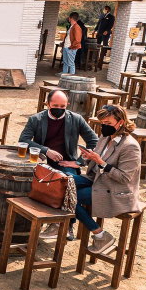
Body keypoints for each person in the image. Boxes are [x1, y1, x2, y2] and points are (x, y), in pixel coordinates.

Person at [60, 103, 143, 255]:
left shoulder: (131, 147)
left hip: (117, 189)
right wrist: (84, 159)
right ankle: (59, 226)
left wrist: (101, 162)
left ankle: (101, 235)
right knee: (62, 182)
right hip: (98, 180)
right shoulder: (106, 137)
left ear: (121, 122)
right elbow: (96, 157)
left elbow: (124, 178)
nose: (104, 127)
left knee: (71, 196)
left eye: (108, 123)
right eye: (103, 123)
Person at [18, 90, 100, 239]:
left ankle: (66, 225)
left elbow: (94, 142)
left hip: (65, 162)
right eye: (55, 105)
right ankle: (48, 220)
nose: (59, 108)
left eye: (63, 106)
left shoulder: (76, 119)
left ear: (67, 104)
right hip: (42, 161)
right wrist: (46, 150)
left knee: (68, 184)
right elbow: (23, 140)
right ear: (48, 104)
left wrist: (79, 162)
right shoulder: (36, 119)